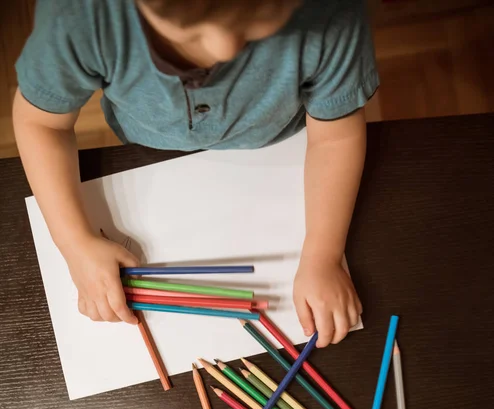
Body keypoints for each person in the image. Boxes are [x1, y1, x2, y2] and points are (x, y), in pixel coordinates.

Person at [14, 0, 378, 347]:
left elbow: (335, 138)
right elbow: (41, 125)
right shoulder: (79, 16)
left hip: (283, 143)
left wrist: (323, 256)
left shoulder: (333, 12)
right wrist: (74, 243)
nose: (226, 47)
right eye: (190, 33)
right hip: (147, 147)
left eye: (256, 26)